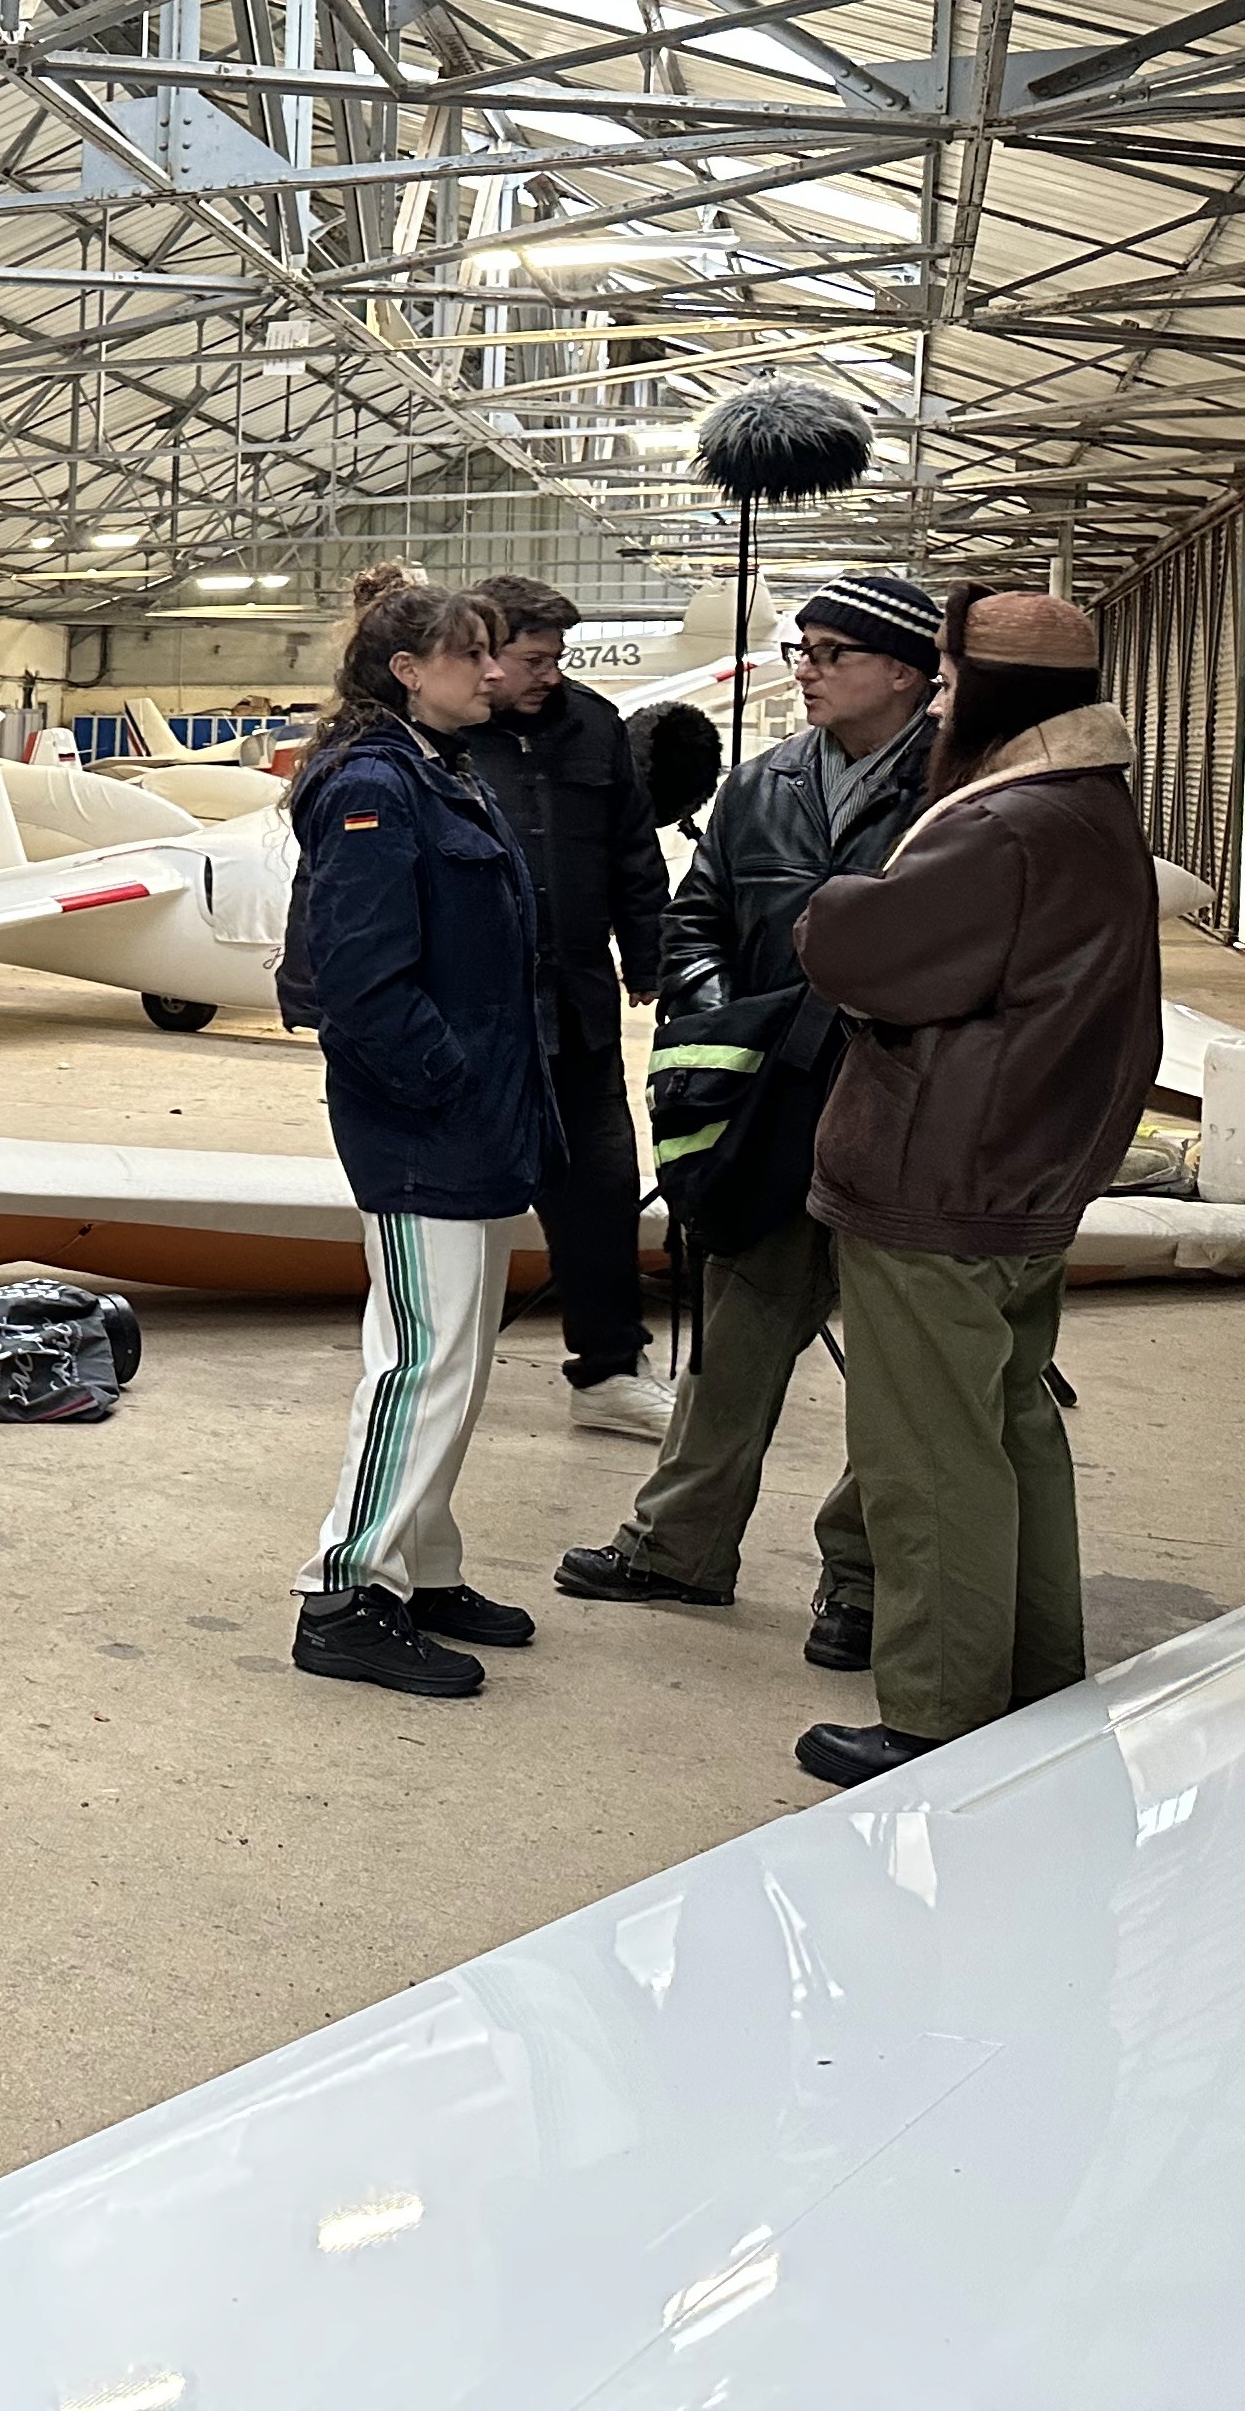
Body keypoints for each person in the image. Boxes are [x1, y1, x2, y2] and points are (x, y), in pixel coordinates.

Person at [787, 587, 1158, 1787]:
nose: (940, 701)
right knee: (1012, 1430)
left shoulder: (1002, 827)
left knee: (926, 1455)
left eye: (947, 681)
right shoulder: (1095, 811)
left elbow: (866, 950)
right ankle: (1038, 1677)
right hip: (1030, 1175)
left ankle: (937, 1712)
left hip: (938, 1179)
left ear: (986, 690)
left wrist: (828, 902)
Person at [553, 572, 944, 1667]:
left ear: (907, 671)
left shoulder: (962, 786)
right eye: (801, 648)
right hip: (770, 1105)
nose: (804, 669)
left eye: (829, 652)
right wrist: (718, 1017)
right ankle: (677, 1547)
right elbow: (698, 914)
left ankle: (860, 1582)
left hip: (901, 1106)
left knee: (901, 1366)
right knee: (732, 1337)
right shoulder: (764, 781)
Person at [278, 569, 558, 1701]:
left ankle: (422, 1566)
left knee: (461, 1357)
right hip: (421, 1125)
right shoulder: (372, 788)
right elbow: (358, 977)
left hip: (474, 1115)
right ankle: (346, 1594)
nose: (495, 673)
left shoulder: (441, 773)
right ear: (409, 670)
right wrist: (444, 1083)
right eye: (473, 654)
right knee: (418, 1361)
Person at [464, 574, 673, 1441]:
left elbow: (631, 847)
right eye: (533, 658)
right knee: (462, 1199)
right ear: (482, 655)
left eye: (558, 658)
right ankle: (438, 1370)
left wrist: (653, 958)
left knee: (600, 1187)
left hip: (579, 1003)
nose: (550, 674)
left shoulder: (593, 724)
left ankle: (610, 1372)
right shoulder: (437, 733)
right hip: (476, 1015)